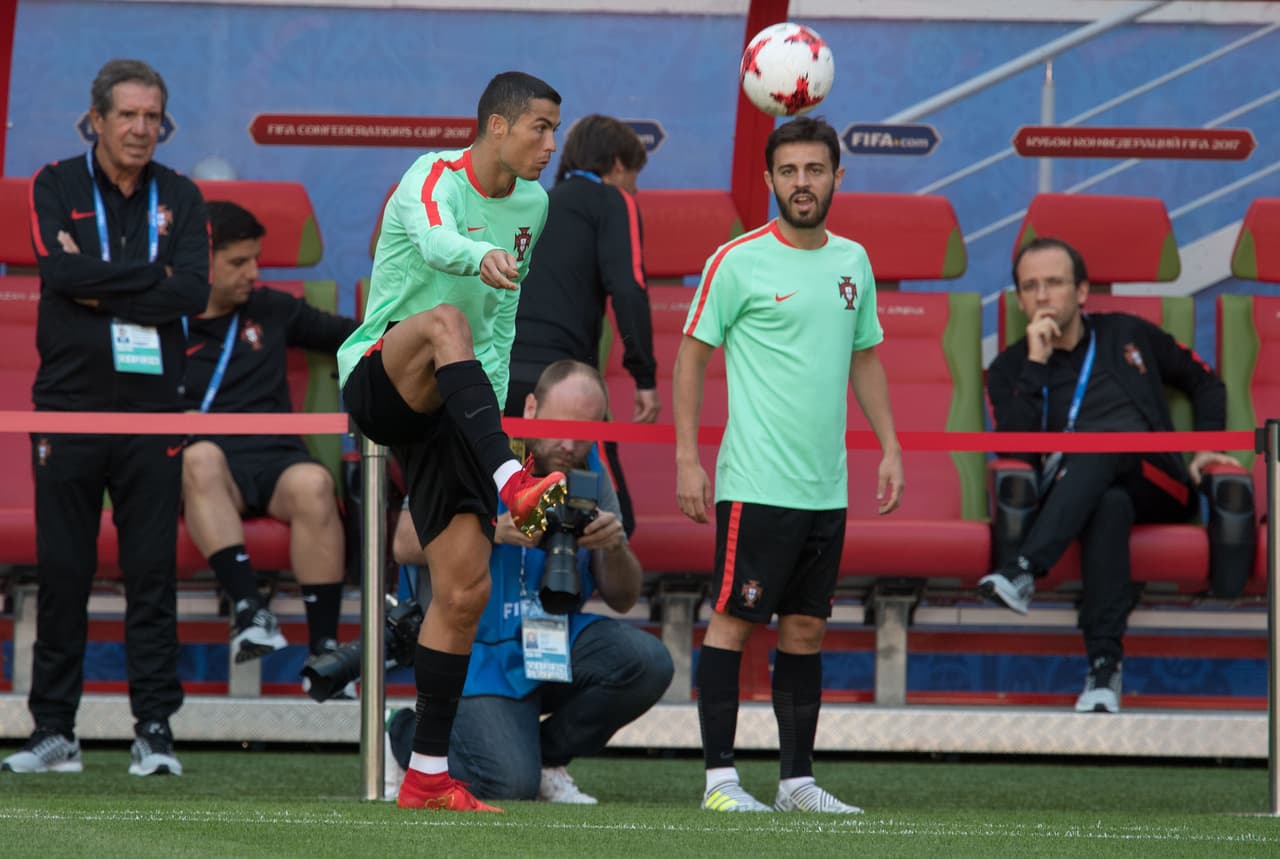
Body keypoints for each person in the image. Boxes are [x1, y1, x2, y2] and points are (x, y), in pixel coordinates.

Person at [337, 71, 568, 813]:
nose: (550, 144)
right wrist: (480, 258)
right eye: (539, 127)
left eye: (555, 129)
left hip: (452, 401)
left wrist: (486, 425)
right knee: (445, 319)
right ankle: (510, 479)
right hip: (382, 375)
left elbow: (500, 330)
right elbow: (439, 245)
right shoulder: (429, 174)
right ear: (495, 127)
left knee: (464, 588)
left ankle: (427, 774)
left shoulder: (535, 203)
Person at [673, 116, 904, 814]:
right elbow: (691, 355)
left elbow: (865, 355)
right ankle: (719, 782)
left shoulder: (853, 261)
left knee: (806, 629)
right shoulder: (737, 259)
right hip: (755, 484)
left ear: (838, 175)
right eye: (789, 171)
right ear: (771, 179)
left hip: (824, 488)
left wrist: (890, 442)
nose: (802, 184)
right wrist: (687, 455)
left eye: (815, 170)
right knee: (733, 623)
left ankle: (797, 780)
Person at [2, 59, 209, 777]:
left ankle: (154, 728)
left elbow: (191, 291)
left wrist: (109, 284)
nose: (141, 129)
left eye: (153, 116)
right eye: (127, 115)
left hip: (155, 415)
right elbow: (58, 277)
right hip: (68, 410)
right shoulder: (56, 183)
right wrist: (147, 282)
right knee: (64, 571)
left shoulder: (181, 195)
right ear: (95, 118)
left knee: (151, 574)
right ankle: (53, 729)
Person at [384, 360, 673, 804]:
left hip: (549, 640)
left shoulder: (588, 467)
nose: (569, 444)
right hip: (474, 650)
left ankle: (545, 759)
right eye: (560, 427)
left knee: (647, 663)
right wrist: (489, 529)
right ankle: (404, 732)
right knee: (506, 785)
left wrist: (614, 547)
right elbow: (403, 544)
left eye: (585, 432)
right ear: (532, 407)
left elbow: (622, 597)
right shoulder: (475, 442)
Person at [980, 237, 1236, 714]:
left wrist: (1206, 447)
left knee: (1106, 442)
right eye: (1030, 287)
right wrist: (1036, 365)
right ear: (1018, 300)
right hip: (1074, 490)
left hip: (1158, 482)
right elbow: (1015, 449)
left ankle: (1024, 568)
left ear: (1081, 292)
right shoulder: (1009, 367)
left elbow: (1205, 382)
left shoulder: (1129, 333)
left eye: (1053, 283)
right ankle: (1103, 670)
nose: (1041, 296)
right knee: (1109, 504)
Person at [179, 201, 357, 679]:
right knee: (199, 458)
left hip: (274, 458)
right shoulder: (161, 320)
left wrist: (417, 335)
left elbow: (351, 338)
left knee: (314, 485)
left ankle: (325, 652)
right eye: (239, 262)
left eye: (256, 259)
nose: (253, 273)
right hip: (209, 467)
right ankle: (248, 611)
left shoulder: (271, 308)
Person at [506, 115, 657, 535]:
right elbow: (628, 288)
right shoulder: (612, 201)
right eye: (633, 175)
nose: (636, 189)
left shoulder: (534, 204)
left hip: (498, 384)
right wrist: (644, 377)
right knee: (613, 522)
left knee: (510, 517)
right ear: (615, 165)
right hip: (562, 390)